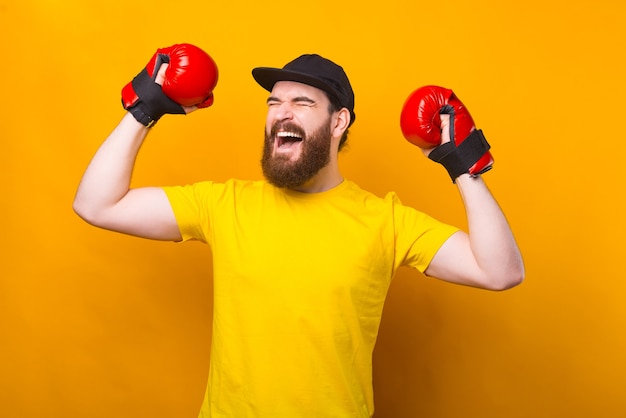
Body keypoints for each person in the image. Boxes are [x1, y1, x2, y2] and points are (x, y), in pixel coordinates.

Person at [73, 47, 524, 418]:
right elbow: (97, 204)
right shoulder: (224, 204)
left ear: (338, 122)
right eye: (274, 103)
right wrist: (145, 107)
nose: (280, 114)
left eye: (301, 104)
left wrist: (462, 162)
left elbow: (499, 271)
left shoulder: (385, 220)